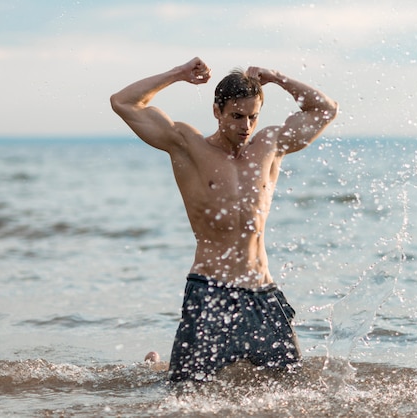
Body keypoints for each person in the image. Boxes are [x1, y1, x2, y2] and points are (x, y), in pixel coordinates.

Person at [110, 57, 338, 381]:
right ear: (217, 111)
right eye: (236, 116)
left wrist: (275, 77)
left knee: (292, 386)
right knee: (185, 391)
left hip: (262, 294)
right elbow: (123, 102)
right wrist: (177, 74)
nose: (245, 126)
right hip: (210, 293)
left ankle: (161, 366)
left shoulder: (270, 145)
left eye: (252, 117)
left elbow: (325, 110)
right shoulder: (188, 147)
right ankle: (155, 367)